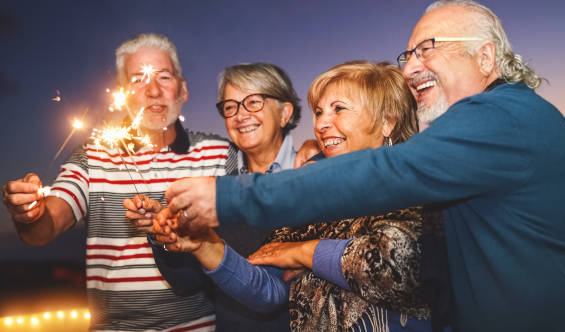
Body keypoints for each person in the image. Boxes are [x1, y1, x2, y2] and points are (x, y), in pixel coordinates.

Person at [162, 0, 565, 332]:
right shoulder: (480, 139)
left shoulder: (499, 119)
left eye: (427, 48)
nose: (412, 65)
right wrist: (205, 245)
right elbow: (269, 287)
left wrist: (228, 197)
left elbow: (398, 245)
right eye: (408, 54)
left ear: (486, 57)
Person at [155, 61, 449, 331]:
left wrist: (304, 251)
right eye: (319, 112)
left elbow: (397, 264)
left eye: (339, 109)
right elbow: (269, 292)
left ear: (388, 121)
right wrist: (205, 245)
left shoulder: (417, 184)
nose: (321, 124)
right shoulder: (308, 198)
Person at [1, 33, 236, 331]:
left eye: (163, 77)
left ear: (183, 89)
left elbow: (261, 209)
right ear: (123, 93)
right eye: (138, 79)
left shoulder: (218, 153)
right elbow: (42, 230)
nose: (153, 90)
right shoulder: (93, 155)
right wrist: (29, 211)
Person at [148, 62, 301, 331]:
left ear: (284, 113)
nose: (240, 115)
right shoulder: (217, 191)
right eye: (230, 106)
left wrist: (206, 244)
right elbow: (188, 282)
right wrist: (163, 234)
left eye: (254, 101)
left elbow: (276, 293)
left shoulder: (312, 176)